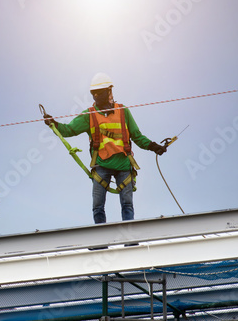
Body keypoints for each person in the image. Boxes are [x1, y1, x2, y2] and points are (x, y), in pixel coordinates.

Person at [44, 72, 167, 224]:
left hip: (123, 165)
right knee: (98, 207)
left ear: (109, 91)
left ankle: (130, 242)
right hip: (101, 166)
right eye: (93, 93)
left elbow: (137, 136)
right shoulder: (89, 115)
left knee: (127, 205)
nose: (96, 96)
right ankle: (101, 243)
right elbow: (69, 130)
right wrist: (53, 124)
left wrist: (154, 147)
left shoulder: (123, 111)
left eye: (99, 92)